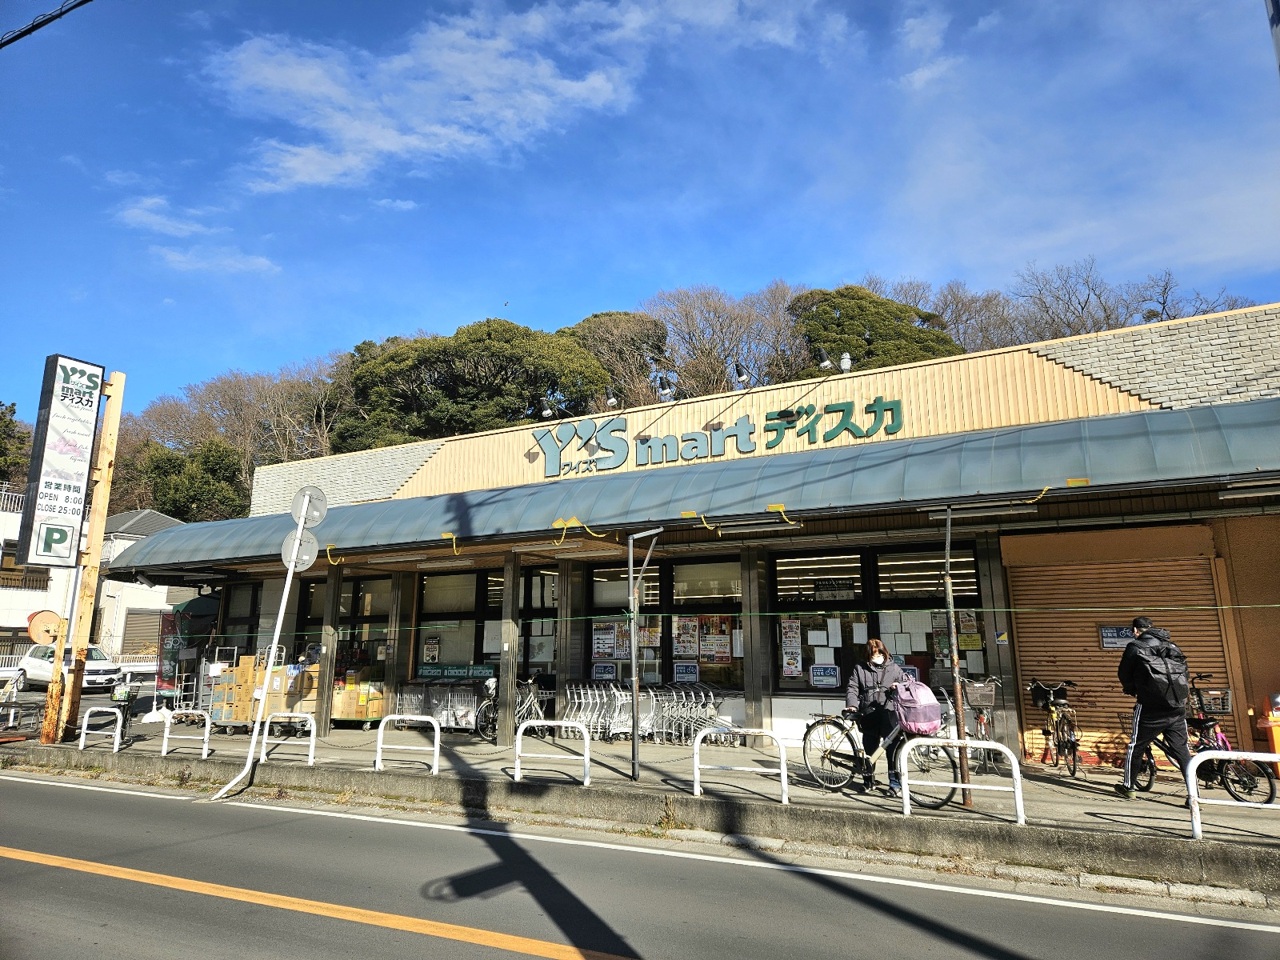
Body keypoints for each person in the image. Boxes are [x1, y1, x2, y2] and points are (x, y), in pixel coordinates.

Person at [1115, 616, 1191, 801]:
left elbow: (1124, 673)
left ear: (1135, 631)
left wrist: (1131, 689)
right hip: (1177, 707)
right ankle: (1193, 795)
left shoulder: (1135, 646)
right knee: (1182, 750)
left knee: (1136, 746)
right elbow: (1185, 672)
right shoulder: (1171, 645)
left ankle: (1129, 787)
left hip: (1150, 707)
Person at [844, 637, 905, 796]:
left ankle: (895, 784)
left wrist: (899, 686)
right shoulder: (860, 668)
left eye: (880, 654)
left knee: (892, 751)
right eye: (874, 655)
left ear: (885, 653)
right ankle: (868, 781)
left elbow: (906, 685)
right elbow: (852, 687)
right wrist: (852, 704)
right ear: (868, 656)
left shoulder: (894, 668)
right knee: (870, 751)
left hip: (889, 714)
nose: (878, 657)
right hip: (868, 714)